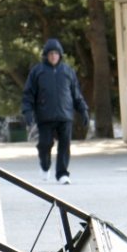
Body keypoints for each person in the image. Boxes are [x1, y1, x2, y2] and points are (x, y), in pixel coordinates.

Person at [21, 38, 90, 185]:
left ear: (60, 55)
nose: (53, 56)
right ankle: (45, 165)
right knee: (45, 144)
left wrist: (83, 109)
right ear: (46, 55)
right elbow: (28, 94)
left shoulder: (67, 71)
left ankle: (62, 174)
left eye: (56, 53)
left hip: (65, 116)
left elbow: (76, 94)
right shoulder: (37, 71)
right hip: (45, 116)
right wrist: (27, 111)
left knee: (64, 145)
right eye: (50, 53)